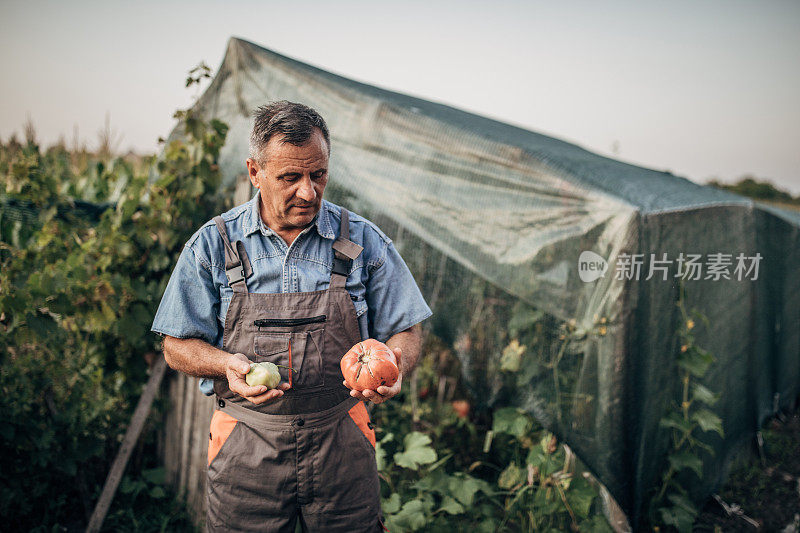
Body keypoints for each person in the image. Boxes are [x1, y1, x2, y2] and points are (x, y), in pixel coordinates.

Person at [151, 101, 431, 532]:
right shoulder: (212, 246)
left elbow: (406, 329)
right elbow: (176, 346)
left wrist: (395, 365)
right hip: (246, 443)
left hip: (341, 438)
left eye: (318, 174)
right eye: (290, 177)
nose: (308, 192)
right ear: (254, 172)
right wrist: (227, 364)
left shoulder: (363, 241)